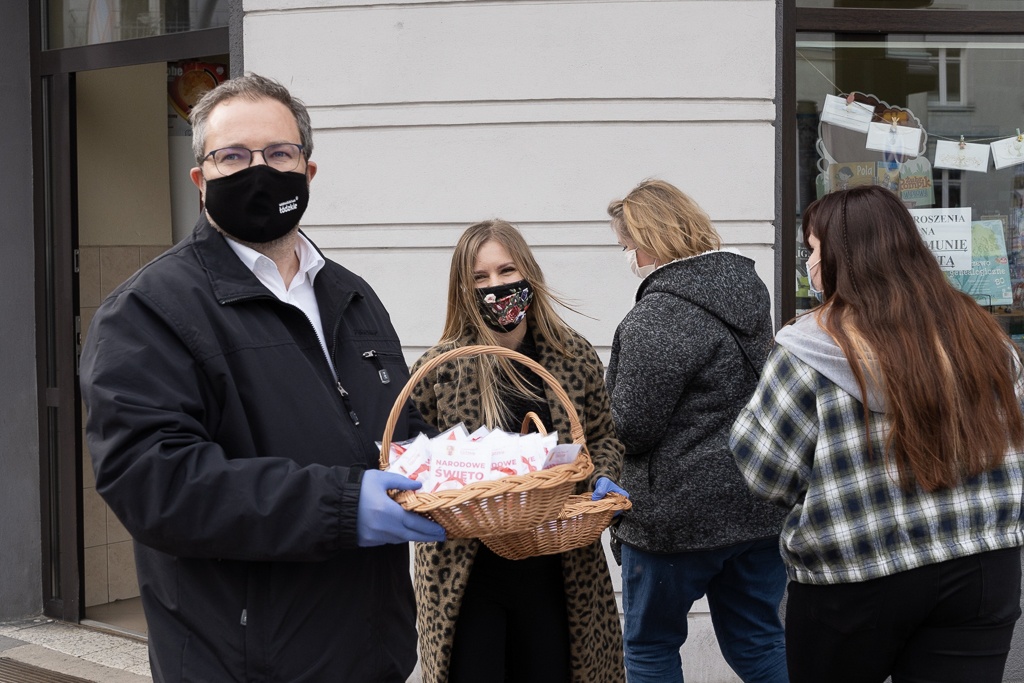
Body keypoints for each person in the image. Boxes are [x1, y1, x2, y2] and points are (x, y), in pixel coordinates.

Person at [79, 73, 446, 683]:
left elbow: (392, 434)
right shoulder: (149, 310)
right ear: (200, 181)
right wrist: (341, 504)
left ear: (308, 171)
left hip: (370, 652)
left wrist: (516, 476)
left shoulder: (351, 295)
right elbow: (154, 482)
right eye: (233, 156)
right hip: (242, 662)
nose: (260, 170)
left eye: (280, 153)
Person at [730, 184, 1024, 683]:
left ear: (843, 257)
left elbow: (766, 473)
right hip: (982, 560)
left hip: (855, 573)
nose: (809, 264)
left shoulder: (808, 351)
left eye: (812, 251)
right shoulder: (982, 336)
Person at [408, 219, 628, 683]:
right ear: (463, 290)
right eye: (479, 278)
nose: (496, 286)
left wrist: (603, 475)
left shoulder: (572, 357)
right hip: (466, 573)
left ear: (528, 272)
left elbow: (604, 436)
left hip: (558, 569)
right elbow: (411, 456)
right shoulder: (440, 369)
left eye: (506, 271)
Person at [604, 179, 788, 683]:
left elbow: (632, 428)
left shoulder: (656, 317)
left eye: (627, 246)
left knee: (650, 647)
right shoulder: (746, 294)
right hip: (757, 506)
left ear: (650, 241)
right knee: (759, 641)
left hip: (675, 522)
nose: (628, 257)